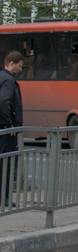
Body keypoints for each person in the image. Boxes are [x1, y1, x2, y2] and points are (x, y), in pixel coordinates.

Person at [0, 51, 25, 207]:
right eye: (19, 66)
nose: (20, 70)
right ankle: (4, 198)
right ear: (11, 63)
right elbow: (4, 102)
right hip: (5, 131)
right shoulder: (9, 80)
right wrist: (9, 124)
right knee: (6, 164)